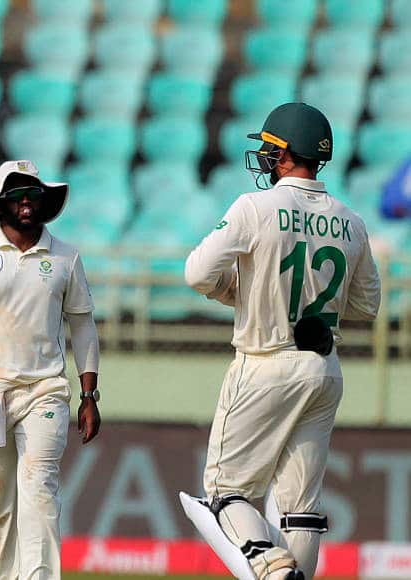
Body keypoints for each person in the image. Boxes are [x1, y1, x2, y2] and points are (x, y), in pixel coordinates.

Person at [182, 102, 381, 580]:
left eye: (271, 149)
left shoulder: (256, 207)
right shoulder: (350, 220)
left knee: (225, 493)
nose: (266, 158)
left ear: (288, 154)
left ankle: (272, 567)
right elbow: (367, 306)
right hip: (324, 368)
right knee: (301, 506)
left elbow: (197, 273)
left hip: (265, 362)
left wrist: (244, 294)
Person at [0, 159, 101, 579]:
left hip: (44, 389)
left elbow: (82, 325)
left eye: (33, 195)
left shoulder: (66, 255)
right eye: (17, 195)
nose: (27, 202)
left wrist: (88, 395)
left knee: (40, 492)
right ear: (0, 204)